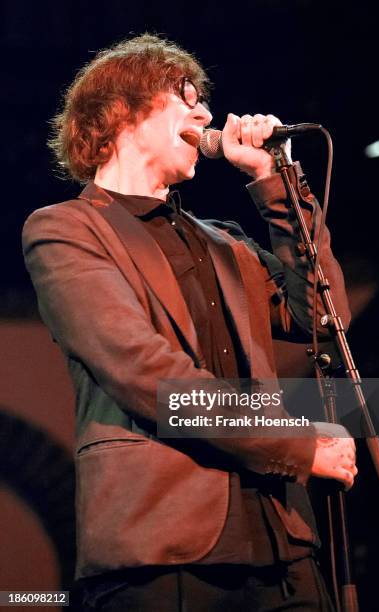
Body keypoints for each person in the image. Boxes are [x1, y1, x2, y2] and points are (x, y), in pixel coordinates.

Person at [22, 34, 357, 611]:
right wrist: (299, 445)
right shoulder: (66, 230)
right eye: (185, 96)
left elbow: (325, 321)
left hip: (284, 546)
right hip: (163, 550)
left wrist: (274, 185)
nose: (205, 113)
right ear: (120, 111)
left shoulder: (225, 239)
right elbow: (147, 375)